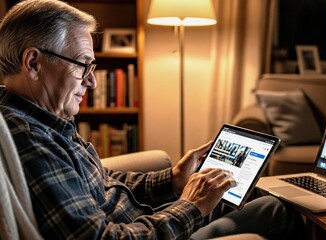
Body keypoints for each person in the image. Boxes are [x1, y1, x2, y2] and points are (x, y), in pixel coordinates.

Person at [0, 1, 304, 239]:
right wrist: (192, 206)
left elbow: (101, 182)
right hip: (143, 230)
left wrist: (172, 180)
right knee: (277, 210)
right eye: (83, 65)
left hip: (140, 219)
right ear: (33, 62)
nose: (91, 83)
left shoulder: (45, 119)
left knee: (245, 192)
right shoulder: (29, 139)